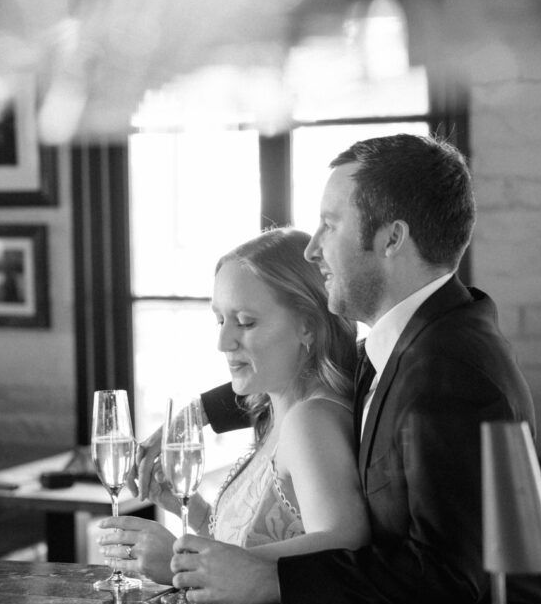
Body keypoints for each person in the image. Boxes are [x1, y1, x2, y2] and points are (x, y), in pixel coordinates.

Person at [132, 133, 541, 604]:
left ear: (392, 238)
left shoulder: (447, 374)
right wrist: (196, 414)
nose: (312, 250)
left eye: (329, 225)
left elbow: (450, 575)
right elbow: (306, 369)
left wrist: (270, 578)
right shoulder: (411, 341)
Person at [99, 227, 369, 582]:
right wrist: (192, 509)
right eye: (220, 320)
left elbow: (343, 547)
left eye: (245, 322)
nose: (223, 341)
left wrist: (179, 560)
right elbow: (249, 545)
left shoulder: (310, 422)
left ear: (309, 326)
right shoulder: (281, 414)